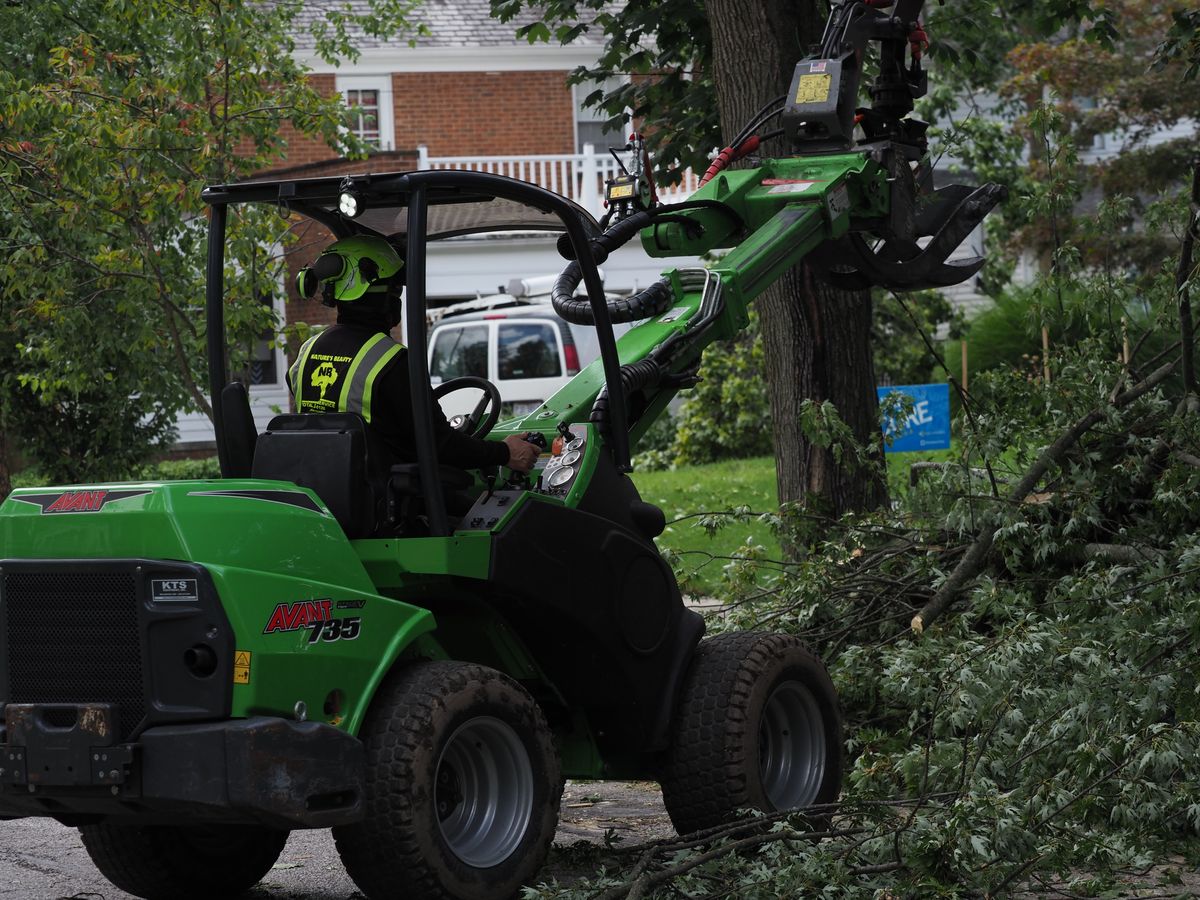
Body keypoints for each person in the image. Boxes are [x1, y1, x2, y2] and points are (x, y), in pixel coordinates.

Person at [287, 233, 539, 474]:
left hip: (322, 492)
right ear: (386, 298)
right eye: (396, 290)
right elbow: (440, 447)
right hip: (383, 505)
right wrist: (505, 453)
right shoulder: (392, 362)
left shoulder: (306, 353)